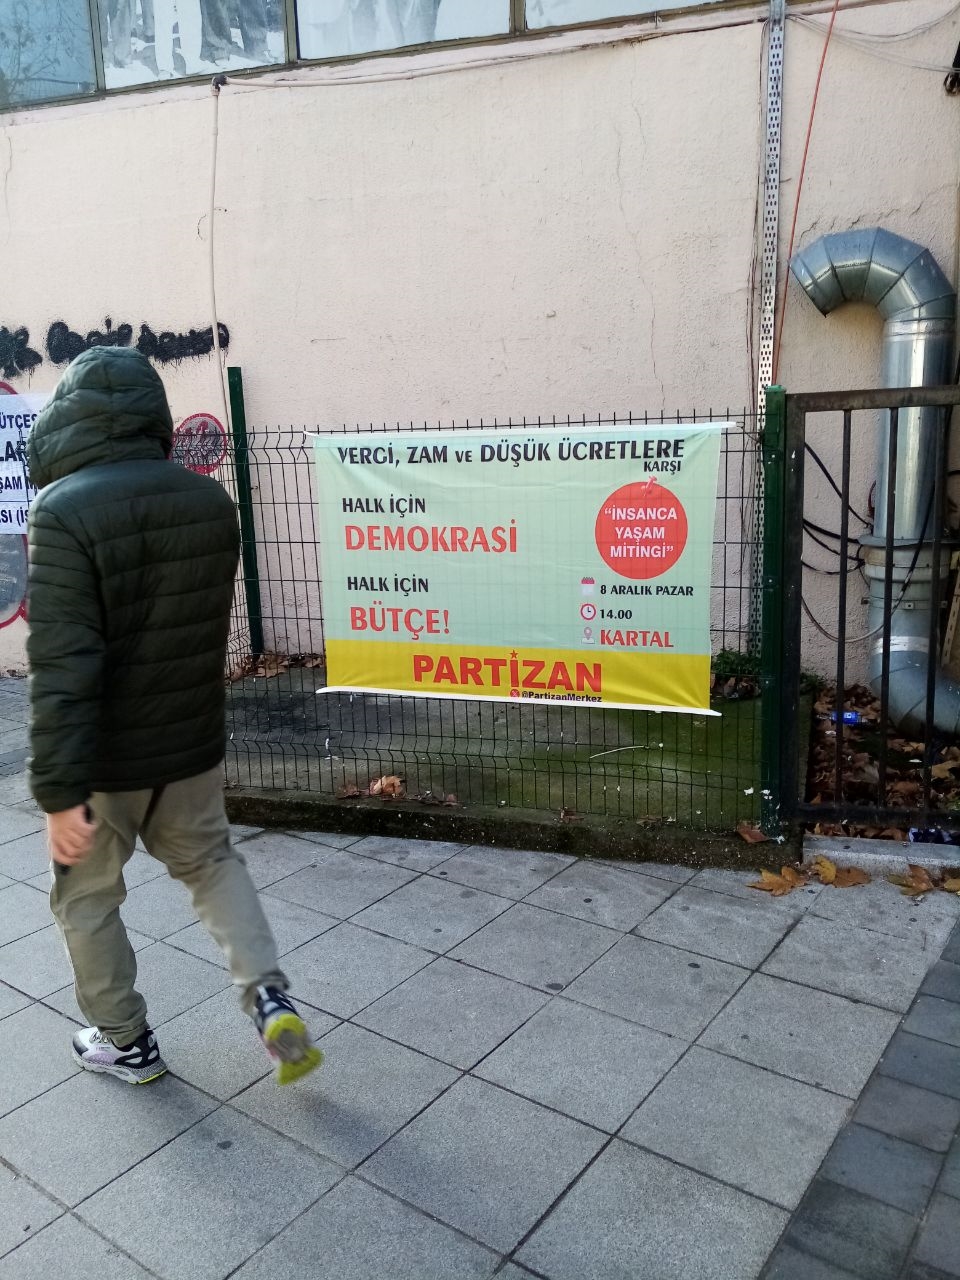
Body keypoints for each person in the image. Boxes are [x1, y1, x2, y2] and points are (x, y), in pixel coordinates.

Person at [26, 346, 322, 1087]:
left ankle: (125, 1042)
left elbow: (64, 665)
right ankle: (268, 997)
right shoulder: (207, 502)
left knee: (86, 898)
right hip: (191, 744)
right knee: (213, 865)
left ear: (71, 419)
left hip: (105, 763)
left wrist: (58, 791)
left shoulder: (61, 511)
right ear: (152, 415)